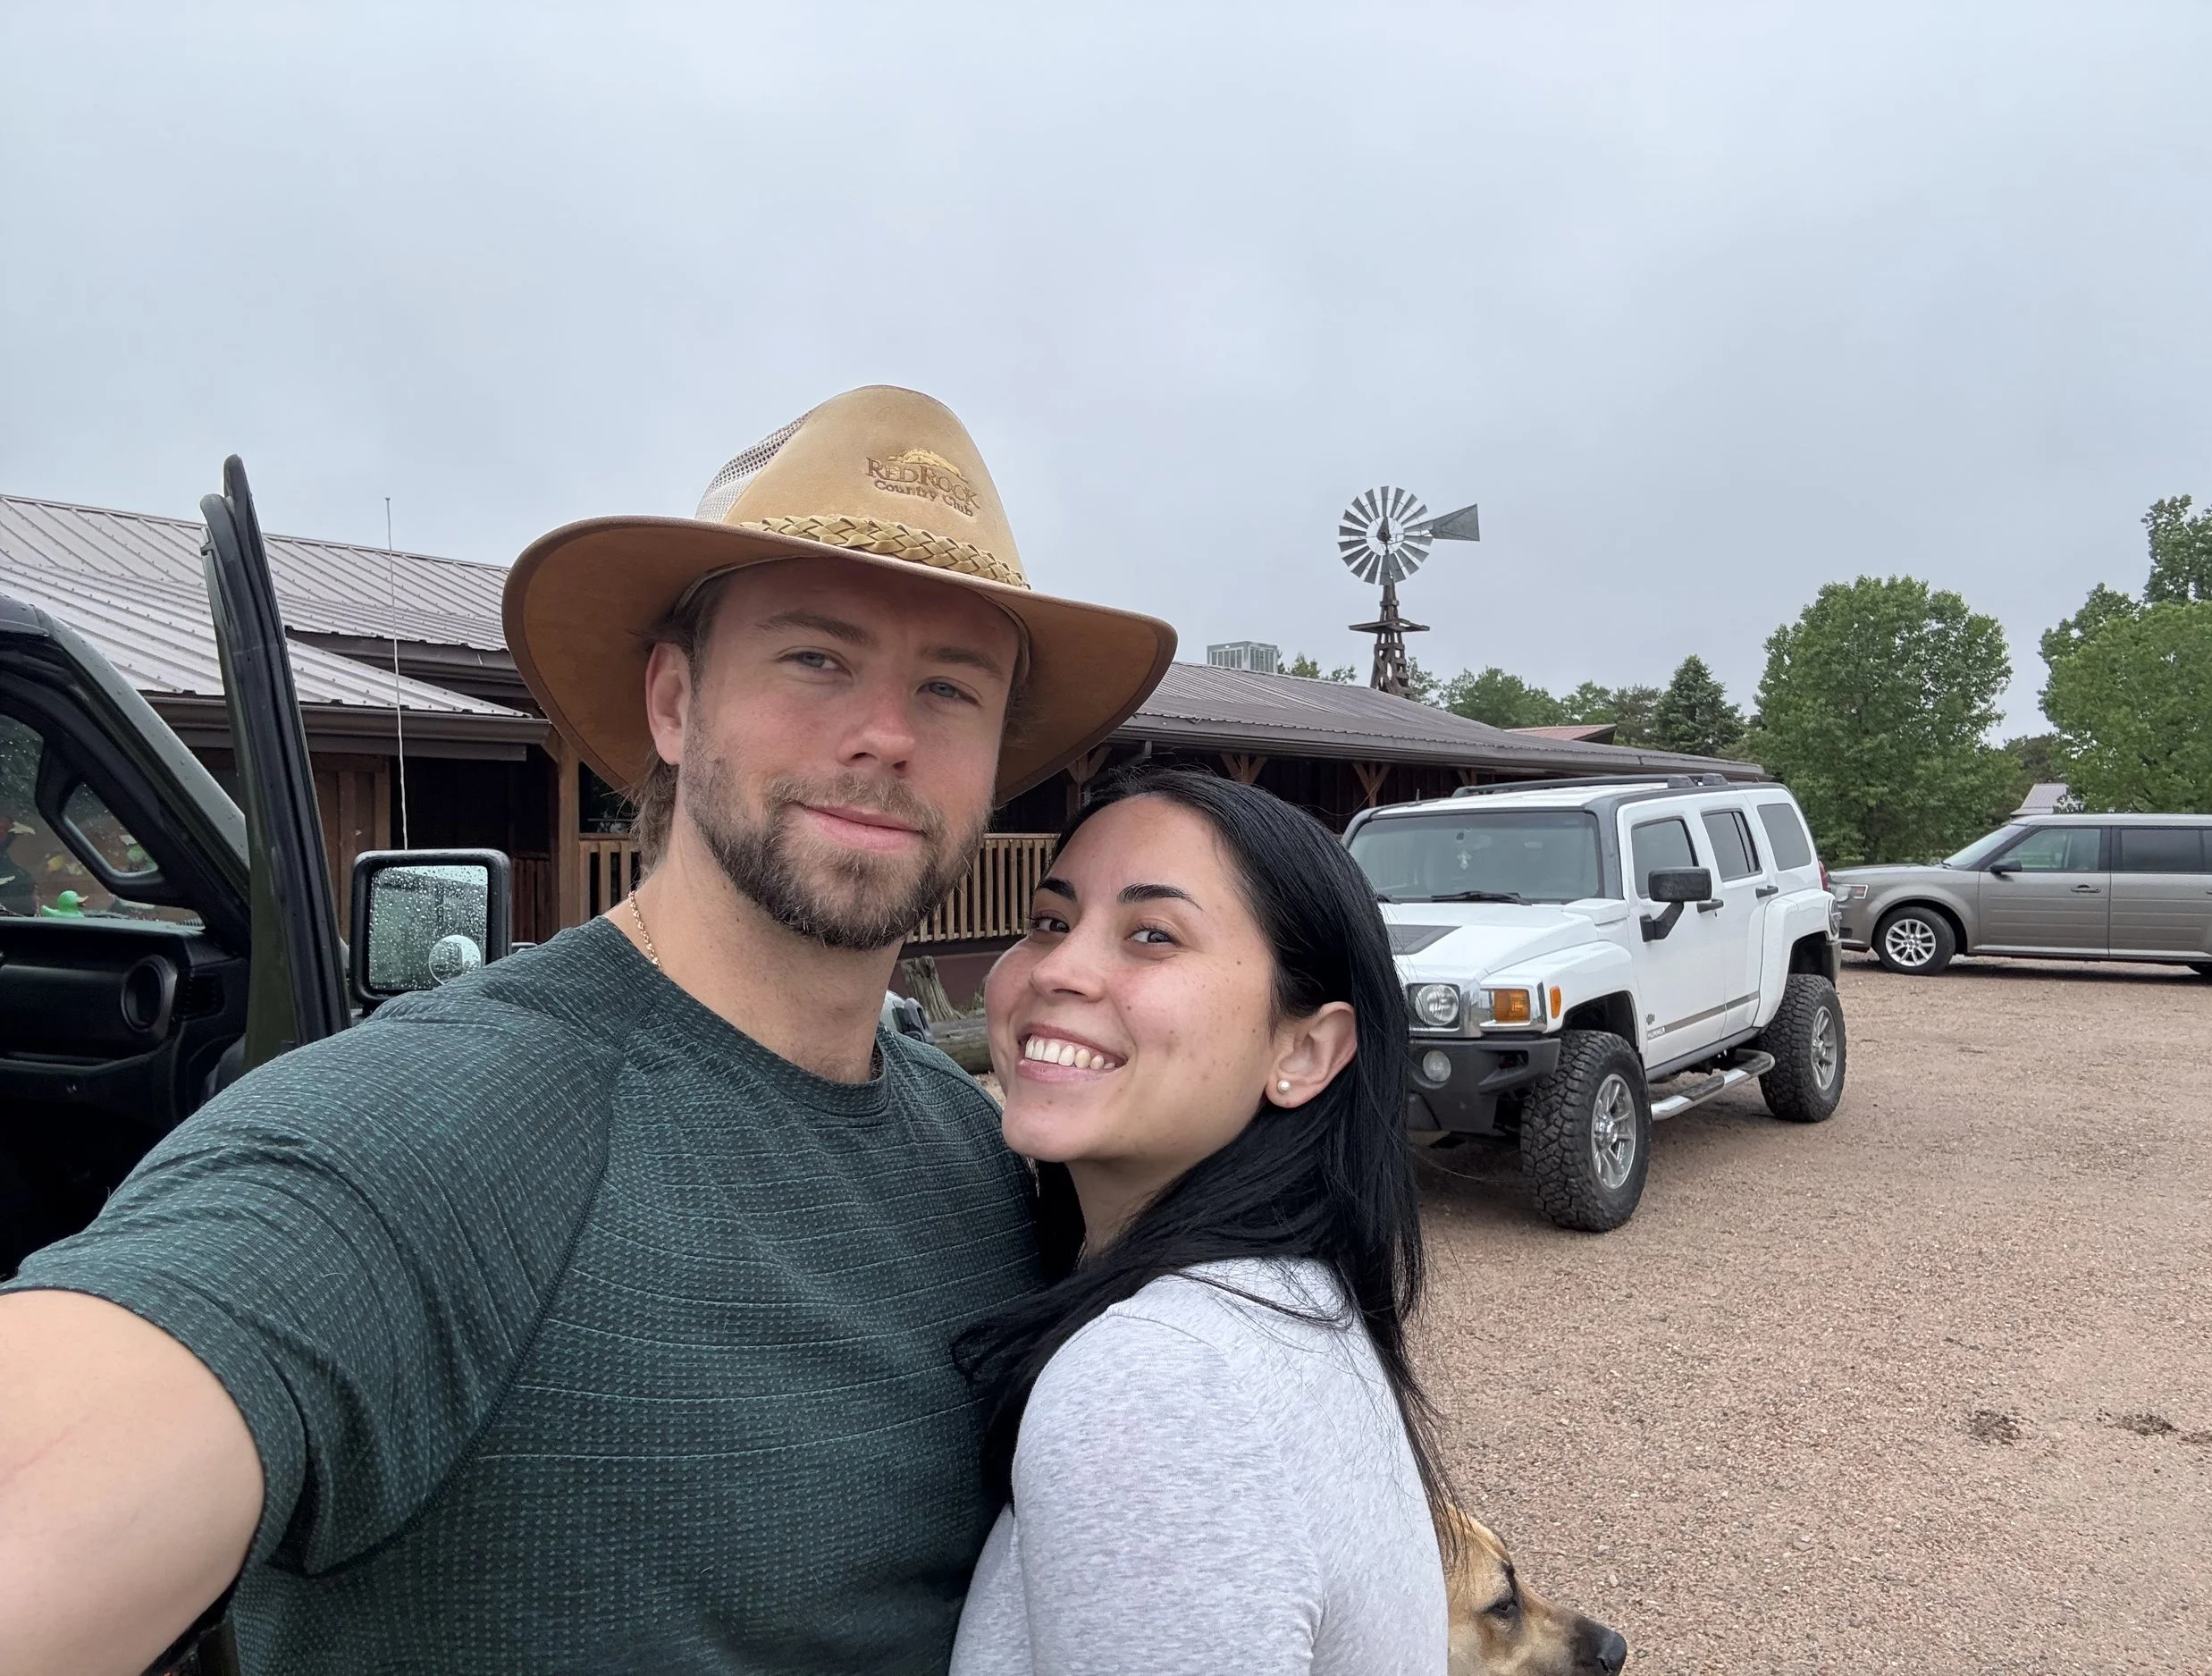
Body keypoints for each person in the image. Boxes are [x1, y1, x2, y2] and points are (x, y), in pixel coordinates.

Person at [0, 385, 1176, 1676]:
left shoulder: (991, 1155)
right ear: (675, 702)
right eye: (815, 657)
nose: (887, 733)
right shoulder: (430, 1131)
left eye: (952, 687)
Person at [949, 769, 1450, 1675]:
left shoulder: (1160, 1378)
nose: (1057, 967)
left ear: (1303, 1050)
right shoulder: (1290, 1300)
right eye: (1051, 921)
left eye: (1151, 934)